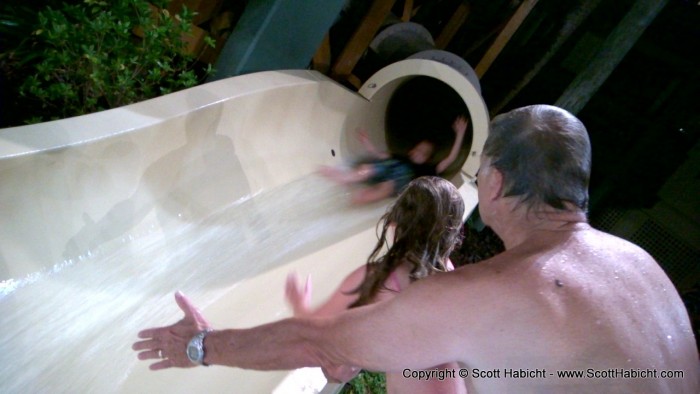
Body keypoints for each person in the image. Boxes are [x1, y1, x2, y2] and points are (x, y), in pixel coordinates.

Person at [133, 105, 699, 393]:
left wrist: (201, 346)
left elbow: (319, 339)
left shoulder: (481, 293)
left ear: (495, 185)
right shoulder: (642, 267)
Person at [284, 176, 467, 393]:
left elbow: (312, 328)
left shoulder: (379, 278)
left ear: (395, 220)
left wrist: (299, 303)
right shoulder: (448, 272)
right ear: (451, 235)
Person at [319, 115, 468, 204]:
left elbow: (450, 159)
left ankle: (359, 199)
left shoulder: (429, 169)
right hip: (388, 167)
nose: (419, 153)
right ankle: (344, 177)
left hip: (399, 180)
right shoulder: (401, 157)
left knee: (387, 187)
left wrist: (460, 134)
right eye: (418, 149)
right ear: (411, 150)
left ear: (428, 158)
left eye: (424, 153)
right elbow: (379, 155)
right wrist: (366, 141)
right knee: (367, 169)